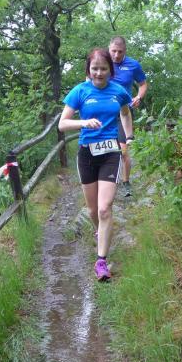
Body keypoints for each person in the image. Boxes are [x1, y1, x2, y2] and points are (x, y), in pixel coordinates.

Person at [59, 48, 133, 282]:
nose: (99, 73)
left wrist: (129, 136)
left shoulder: (118, 91)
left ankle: (101, 262)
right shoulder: (79, 91)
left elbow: (125, 113)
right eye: (95, 69)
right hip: (87, 154)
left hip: (111, 152)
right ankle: (99, 230)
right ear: (88, 70)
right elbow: (62, 124)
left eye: (103, 69)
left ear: (110, 70)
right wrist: (84, 122)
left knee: (104, 208)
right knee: (92, 211)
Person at [108, 36, 147, 197]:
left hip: (124, 112)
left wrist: (138, 97)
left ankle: (126, 182)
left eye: (120, 52)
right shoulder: (103, 62)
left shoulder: (133, 65)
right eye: (113, 51)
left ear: (125, 51)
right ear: (109, 49)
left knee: (123, 151)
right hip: (105, 112)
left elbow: (143, 84)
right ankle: (106, 182)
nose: (116, 55)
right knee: (107, 149)